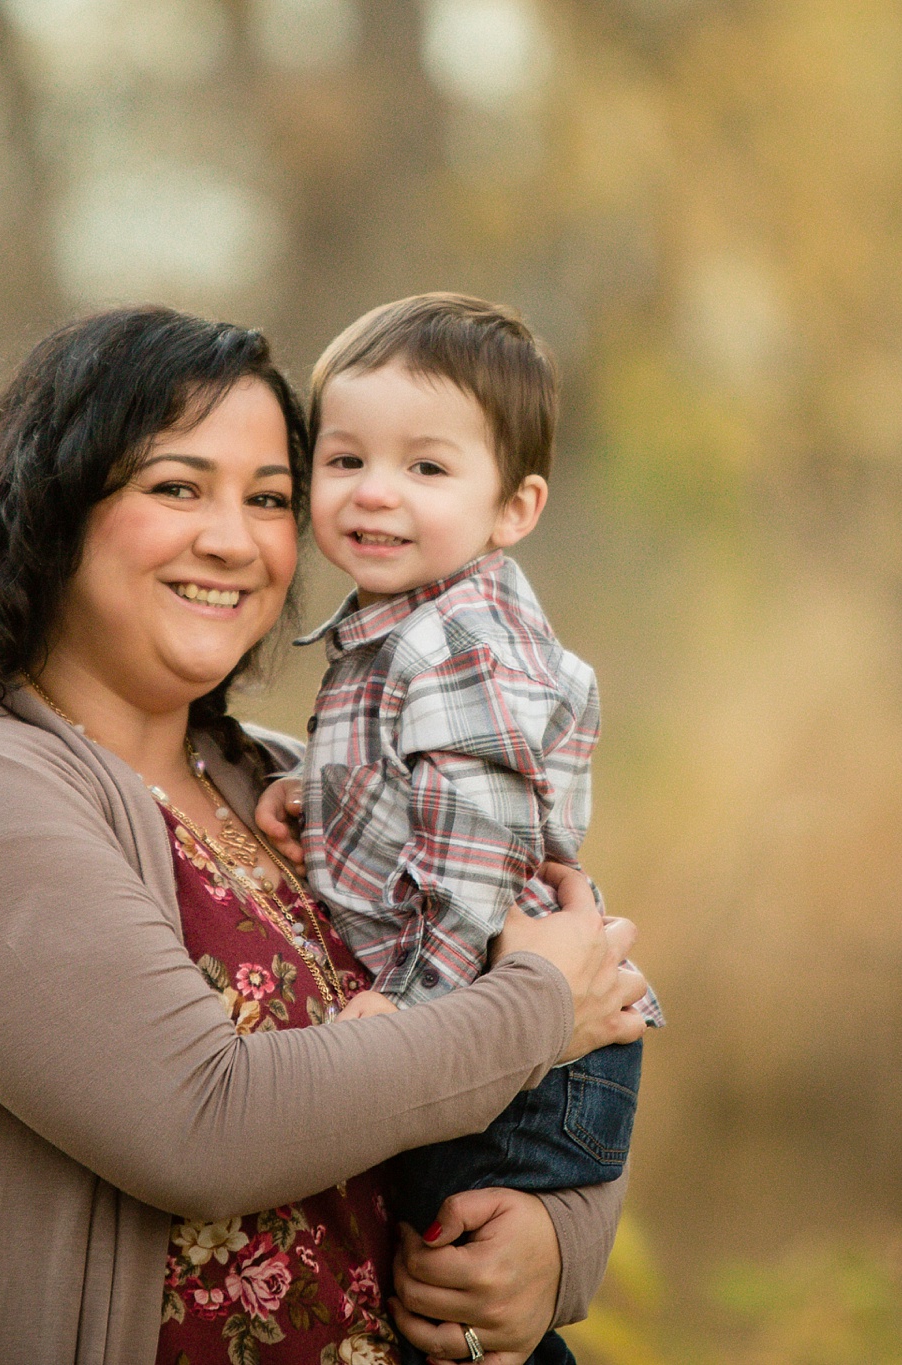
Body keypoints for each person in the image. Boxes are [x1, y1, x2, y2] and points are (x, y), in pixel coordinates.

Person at [0, 305, 654, 1365]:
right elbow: (203, 1122)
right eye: (175, 487)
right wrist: (536, 1011)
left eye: (268, 498)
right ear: (53, 512)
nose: (231, 539)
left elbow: (582, 1010)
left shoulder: (286, 780)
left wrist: (551, 1250)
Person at [254, 294, 664, 1364]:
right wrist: (319, 790)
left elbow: (475, 883)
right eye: (343, 461)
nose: (374, 493)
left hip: (513, 1058)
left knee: (450, 1314)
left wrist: (401, 1027)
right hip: (506, 1035)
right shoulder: (406, 630)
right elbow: (427, 804)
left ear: (511, 507)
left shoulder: (459, 644)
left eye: (426, 470)